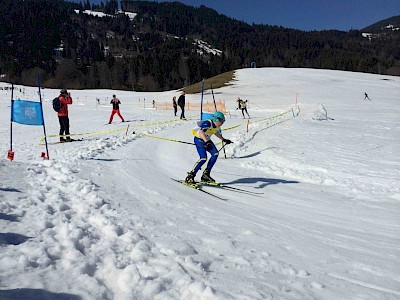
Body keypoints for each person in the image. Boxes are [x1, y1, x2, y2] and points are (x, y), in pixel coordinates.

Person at [185, 111, 232, 184]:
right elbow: (201, 132)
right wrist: (206, 142)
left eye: (223, 121)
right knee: (203, 158)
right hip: (199, 140)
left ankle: (206, 174)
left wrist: (223, 139)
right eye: (222, 121)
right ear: (217, 119)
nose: (222, 123)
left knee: (215, 153)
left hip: (206, 140)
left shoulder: (216, 126)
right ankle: (191, 176)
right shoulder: (207, 123)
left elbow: (215, 132)